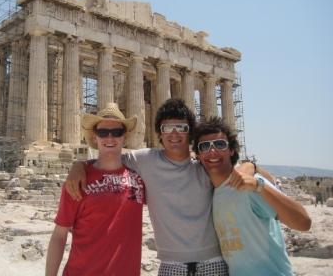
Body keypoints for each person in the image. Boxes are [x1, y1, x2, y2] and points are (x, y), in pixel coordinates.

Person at [66, 98, 260, 275]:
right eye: (167, 128)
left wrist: (250, 166)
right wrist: (79, 165)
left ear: (190, 132)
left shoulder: (205, 166)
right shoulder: (144, 160)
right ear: (159, 133)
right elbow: (108, 158)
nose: (174, 134)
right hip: (170, 265)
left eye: (181, 128)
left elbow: (244, 174)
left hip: (213, 263)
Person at [193, 117, 311, 276]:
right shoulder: (212, 193)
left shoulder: (251, 185)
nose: (212, 151)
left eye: (220, 144)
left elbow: (304, 223)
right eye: (204, 146)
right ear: (198, 155)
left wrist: (259, 185)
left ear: (231, 150)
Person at [45, 103, 145, 276]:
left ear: (125, 136)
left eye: (117, 132)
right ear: (94, 137)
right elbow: (59, 235)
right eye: (103, 132)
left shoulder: (139, 179)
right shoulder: (77, 182)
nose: (110, 138)